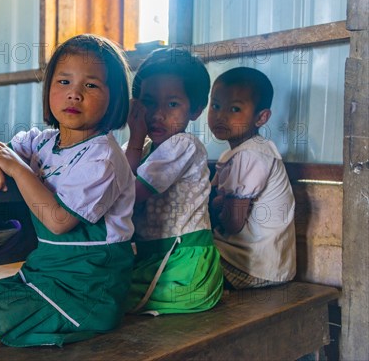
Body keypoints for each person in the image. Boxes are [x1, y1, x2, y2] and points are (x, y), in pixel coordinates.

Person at [0, 34, 135, 350]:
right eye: (64, 81)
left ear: (115, 98)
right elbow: (4, 151)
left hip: (86, 287)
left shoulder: (102, 156)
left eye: (91, 85)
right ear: (48, 89)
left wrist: (16, 167)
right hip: (47, 273)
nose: (74, 94)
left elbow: (60, 221)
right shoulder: (43, 142)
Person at [122, 49, 223, 315]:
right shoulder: (141, 146)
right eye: (149, 102)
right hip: (152, 259)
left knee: (103, 296)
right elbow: (115, 182)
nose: (157, 114)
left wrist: (133, 140)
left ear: (196, 110)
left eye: (172, 104)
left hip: (184, 267)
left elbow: (126, 195)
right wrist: (134, 140)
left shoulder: (184, 145)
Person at [208, 67, 296, 289]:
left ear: (261, 117)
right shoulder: (241, 152)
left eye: (234, 109)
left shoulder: (251, 154)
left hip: (252, 267)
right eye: (216, 105)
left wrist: (218, 204)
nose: (220, 116)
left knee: (180, 259)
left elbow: (233, 223)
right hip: (260, 264)